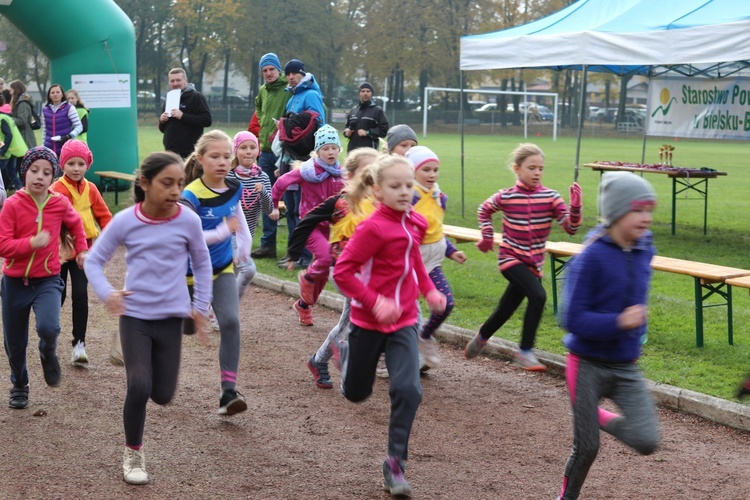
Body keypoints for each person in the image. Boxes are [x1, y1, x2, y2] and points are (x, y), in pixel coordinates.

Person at [84, 151, 213, 485]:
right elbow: (93, 261)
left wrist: (200, 307)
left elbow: (201, 265)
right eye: (167, 183)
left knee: (163, 395)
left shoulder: (188, 221)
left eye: (180, 184)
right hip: (136, 317)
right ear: (145, 183)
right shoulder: (126, 220)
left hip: (171, 317)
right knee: (139, 385)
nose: (175, 191)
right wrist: (108, 293)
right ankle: (133, 453)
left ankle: (132, 356)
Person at [332, 154, 446, 498]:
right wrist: (373, 301)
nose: (404, 191)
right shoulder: (372, 228)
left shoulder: (415, 222)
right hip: (367, 322)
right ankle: (345, 352)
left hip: (404, 321)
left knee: (408, 389)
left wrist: (429, 291)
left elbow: (413, 260)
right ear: (378, 191)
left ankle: (395, 463)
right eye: (395, 186)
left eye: (408, 185)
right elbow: (342, 272)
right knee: (356, 394)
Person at [557, 172, 661, 499]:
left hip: (625, 366)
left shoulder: (645, 250)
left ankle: (597, 417)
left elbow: (637, 298)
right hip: (585, 364)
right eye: (639, 210)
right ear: (616, 213)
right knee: (587, 448)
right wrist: (619, 322)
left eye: (649, 210)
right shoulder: (589, 258)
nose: (647, 218)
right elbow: (570, 318)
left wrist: (637, 334)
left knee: (647, 440)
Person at [464, 143, 582, 371]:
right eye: (531, 168)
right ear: (517, 169)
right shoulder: (507, 196)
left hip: (533, 264)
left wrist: (575, 208)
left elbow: (570, 228)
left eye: (540, 168)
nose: (537, 172)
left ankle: (482, 336)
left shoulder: (551, 197)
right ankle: (525, 352)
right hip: (510, 257)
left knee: (506, 308)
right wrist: (487, 236)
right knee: (538, 296)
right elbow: (484, 209)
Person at [0, 147, 88, 410]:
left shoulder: (59, 203)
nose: (39, 176)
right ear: (24, 172)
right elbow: (3, 245)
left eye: (47, 172)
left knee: (49, 327)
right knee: (15, 344)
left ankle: (48, 352)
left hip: (47, 279)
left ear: (53, 178)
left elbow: (76, 224)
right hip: (14, 283)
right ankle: (20, 384)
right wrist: (31, 243)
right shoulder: (12, 205)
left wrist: (81, 249)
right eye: (34, 170)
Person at [284, 147, 379, 388]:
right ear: (351, 174)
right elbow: (306, 222)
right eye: (368, 169)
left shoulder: (381, 202)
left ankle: (321, 359)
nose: (374, 174)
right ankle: (350, 356)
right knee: (366, 316)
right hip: (346, 272)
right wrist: (294, 253)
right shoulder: (341, 202)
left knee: (352, 321)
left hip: (372, 273)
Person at [182, 129, 252, 416]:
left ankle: (228, 392)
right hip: (186, 274)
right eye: (215, 156)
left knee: (231, 322)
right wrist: (224, 231)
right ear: (200, 159)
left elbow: (240, 220)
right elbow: (191, 236)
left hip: (221, 269)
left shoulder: (235, 187)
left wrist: (243, 249)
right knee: (185, 327)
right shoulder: (190, 194)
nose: (222, 162)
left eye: (227, 156)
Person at [272, 124, 344, 326]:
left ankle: (303, 305)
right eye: (325, 148)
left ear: (339, 149)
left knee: (323, 271)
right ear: (317, 151)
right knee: (325, 256)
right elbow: (280, 183)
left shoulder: (342, 174)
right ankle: (306, 277)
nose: (330, 152)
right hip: (310, 225)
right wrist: (275, 206)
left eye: (333, 148)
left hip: (333, 228)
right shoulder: (307, 171)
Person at [405, 146, 466, 370]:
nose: (432, 175)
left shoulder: (440, 197)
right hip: (410, 265)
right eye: (426, 170)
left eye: (435, 170)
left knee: (446, 304)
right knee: (406, 312)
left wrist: (452, 251)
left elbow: (437, 230)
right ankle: (392, 355)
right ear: (412, 171)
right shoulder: (408, 197)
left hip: (433, 264)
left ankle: (425, 335)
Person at [51, 140, 112, 364]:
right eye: (70, 163)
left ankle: (79, 344)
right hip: (59, 248)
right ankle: (50, 336)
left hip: (84, 249)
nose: (76, 168)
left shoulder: (91, 188)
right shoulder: (56, 189)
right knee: (58, 295)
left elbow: (104, 216)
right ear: (62, 165)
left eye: (80, 163)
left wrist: (109, 239)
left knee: (80, 294)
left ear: (87, 164)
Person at [250, 53, 291, 260]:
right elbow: (258, 108)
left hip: (283, 152)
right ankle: (268, 244)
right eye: (264, 71)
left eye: (271, 70)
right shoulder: (263, 91)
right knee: (266, 197)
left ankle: (295, 247)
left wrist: (283, 124)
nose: (268, 74)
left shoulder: (289, 89)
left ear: (278, 70)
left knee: (289, 199)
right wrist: (263, 127)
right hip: (264, 150)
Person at [227, 131, 276, 298]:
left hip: (247, 236)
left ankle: (220, 311)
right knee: (247, 270)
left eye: (252, 147)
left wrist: (262, 192)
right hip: (227, 234)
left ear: (258, 151)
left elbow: (269, 210)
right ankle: (229, 306)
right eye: (243, 148)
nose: (248, 151)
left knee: (232, 276)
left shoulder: (263, 177)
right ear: (235, 151)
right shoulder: (228, 175)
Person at [158, 68, 212, 159]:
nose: (175, 83)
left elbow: (207, 120)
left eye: (178, 80)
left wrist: (183, 116)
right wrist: (162, 121)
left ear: (186, 80)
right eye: (172, 81)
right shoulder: (169, 99)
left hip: (189, 153)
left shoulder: (196, 97)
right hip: (170, 152)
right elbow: (164, 129)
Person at [343, 82, 389, 152]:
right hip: (352, 151)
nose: (365, 93)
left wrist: (368, 132)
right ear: (359, 93)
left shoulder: (377, 110)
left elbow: (384, 130)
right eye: (363, 91)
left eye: (368, 91)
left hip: (369, 152)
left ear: (371, 94)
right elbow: (347, 127)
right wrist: (346, 132)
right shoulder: (353, 110)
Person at [41, 84, 83, 156]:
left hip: (65, 147)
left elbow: (79, 126)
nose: (55, 94)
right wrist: (43, 146)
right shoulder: (45, 110)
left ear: (62, 94)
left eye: (58, 92)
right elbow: (45, 130)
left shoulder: (69, 108)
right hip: (49, 148)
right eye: (53, 93)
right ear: (49, 96)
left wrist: (69, 136)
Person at [0, 93, 28, 191]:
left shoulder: (2, 118)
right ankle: (22, 190)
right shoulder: (6, 117)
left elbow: (8, 135)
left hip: (5, 152)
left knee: (4, 173)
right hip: (12, 150)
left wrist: (3, 150)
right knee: (11, 173)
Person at [9, 79, 38, 149]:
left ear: (16, 90)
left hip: (25, 138)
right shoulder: (19, 102)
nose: (10, 93)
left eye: (11, 90)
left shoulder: (23, 104)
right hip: (22, 137)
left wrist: (8, 119)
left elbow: (22, 121)